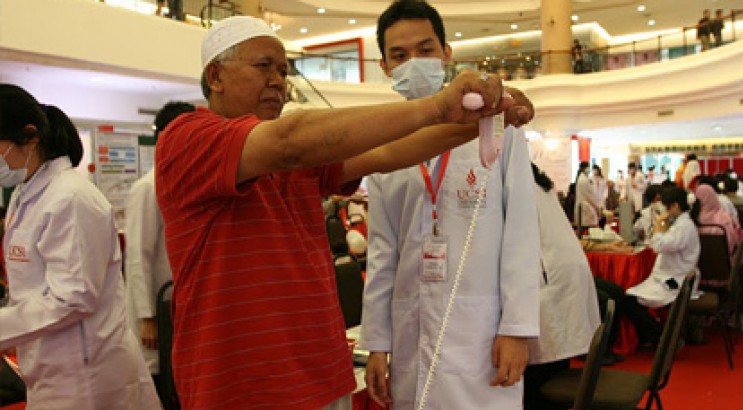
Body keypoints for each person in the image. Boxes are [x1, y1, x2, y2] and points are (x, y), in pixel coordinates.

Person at [155, 14, 524, 410]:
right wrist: (436, 106)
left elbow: (387, 152)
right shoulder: (188, 137)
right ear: (215, 76)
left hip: (324, 377)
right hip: (244, 388)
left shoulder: (303, 158)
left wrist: (494, 116)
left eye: (283, 70)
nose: (278, 81)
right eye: (263, 66)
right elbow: (288, 141)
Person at [360, 2, 539, 409]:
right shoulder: (383, 141)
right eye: (400, 56)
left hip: (482, 329)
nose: (414, 63)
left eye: (425, 50)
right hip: (410, 326)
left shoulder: (496, 124)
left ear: (446, 53)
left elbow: (522, 233)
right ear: (385, 67)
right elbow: (383, 249)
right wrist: (376, 342)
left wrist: (517, 328)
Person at [0, 84, 161, 409]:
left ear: (29, 137)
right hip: (50, 363)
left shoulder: (71, 198)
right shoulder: (25, 194)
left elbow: (74, 298)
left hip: (87, 372)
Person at [124, 101, 195, 390]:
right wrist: (147, 317)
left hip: (179, 304)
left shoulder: (190, 181)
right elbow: (138, 256)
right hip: (155, 309)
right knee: (159, 382)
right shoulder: (148, 187)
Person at [523, 164, 600, 410]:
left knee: (542, 372)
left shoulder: (522, 191)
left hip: (551, 278)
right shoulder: (541, 188)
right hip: (565, 274)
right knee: (554, 360)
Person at [626, 187, 700, 337]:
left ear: (675, 206)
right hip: (669, 277)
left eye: (666, 207)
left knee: (629, 301)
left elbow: (659, 245)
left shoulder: (684, 227)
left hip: (674, 282)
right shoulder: (681, 224)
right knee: (630, 298)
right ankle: (655, 335)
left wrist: (659, 224)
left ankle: (659, 337)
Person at [694, 184, 739, 254]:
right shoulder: (724, 218)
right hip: (724, 260)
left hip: (698, 261)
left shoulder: (692, 220)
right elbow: (732, 243)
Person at [574, 161, 600, 230]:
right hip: (585, 207)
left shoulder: (584, 178)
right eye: (588, 167)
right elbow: (589, 196)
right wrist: (597, 206)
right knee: (587, 228)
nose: (589, 169)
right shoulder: (583, 180)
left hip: (586, 206)